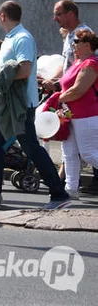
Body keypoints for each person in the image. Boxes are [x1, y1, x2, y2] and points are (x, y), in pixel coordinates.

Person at [0, 0, 71, 210]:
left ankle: (59, 193)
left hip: (19, 105)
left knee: (30, 147)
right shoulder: (11, 38)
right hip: (5, 102)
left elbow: (24, 70)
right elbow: (9, 69)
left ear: (3, 16)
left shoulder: (22, 38)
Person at [52, 28, 98, 197]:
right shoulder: (78, 62)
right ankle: (70, 189)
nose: (73, 44)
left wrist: (59, 98)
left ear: (87, 45)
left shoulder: (91, 63)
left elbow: (78, 90)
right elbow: (65, 84)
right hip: (70, 114)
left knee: (88, 153)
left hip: (86, 115)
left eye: (76, 42)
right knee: (69, 152)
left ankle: (70, 188)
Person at [49, 0, 90, 93]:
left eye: (58, 14)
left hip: (81, 93)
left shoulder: (83, 34)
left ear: (71, 14)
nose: (54, 18)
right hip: (69, 90)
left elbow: (83, 68)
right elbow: (66, 64)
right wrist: (51, 80)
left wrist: (57, 84)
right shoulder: (69, 35)